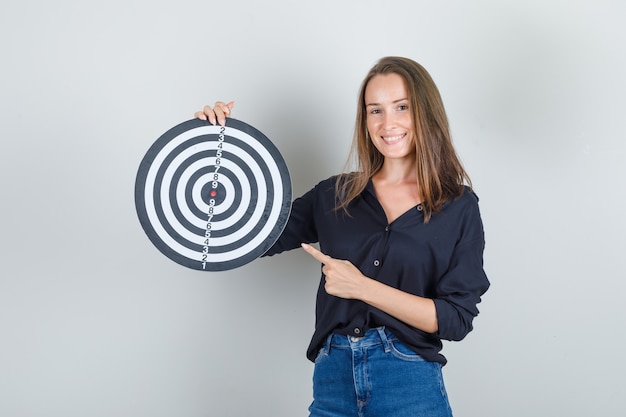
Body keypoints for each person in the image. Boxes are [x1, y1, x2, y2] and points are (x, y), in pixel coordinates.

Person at [195, 56, 490, 417]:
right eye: (375, 111)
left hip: (409, 384)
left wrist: (362, 287)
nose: (388, 123)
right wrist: (217, 147)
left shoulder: (458, 206)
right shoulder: (335, 194)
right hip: (333, 383)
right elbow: (249, 235)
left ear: (425, 112)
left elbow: (456, 318)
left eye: (401, 107)